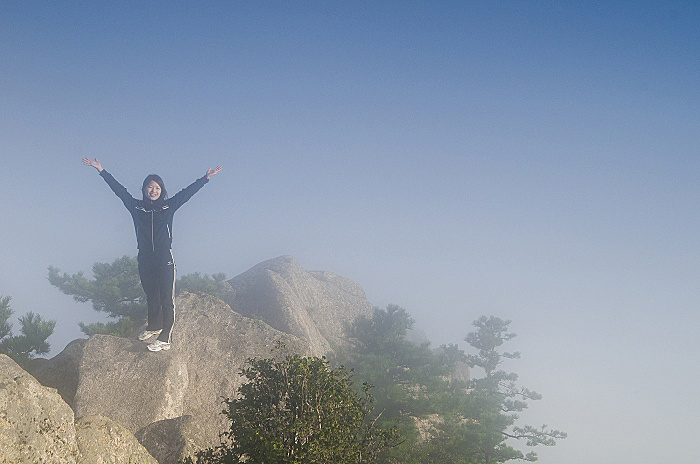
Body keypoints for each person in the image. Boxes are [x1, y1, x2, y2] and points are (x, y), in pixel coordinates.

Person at [82, 157, 222, 352]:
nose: (153, 191)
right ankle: (154, 326)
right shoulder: (136, 207)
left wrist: (205, 178)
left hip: (164, 258)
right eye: (150, 187)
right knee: (151, 295)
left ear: (162, 190)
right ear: (144, 189)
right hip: (145, 258)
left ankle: (166, 337)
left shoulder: (169, 206)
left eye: (157, 188)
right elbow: (119, 191)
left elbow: (187, 193)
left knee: (166, 298)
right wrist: (101, 170)